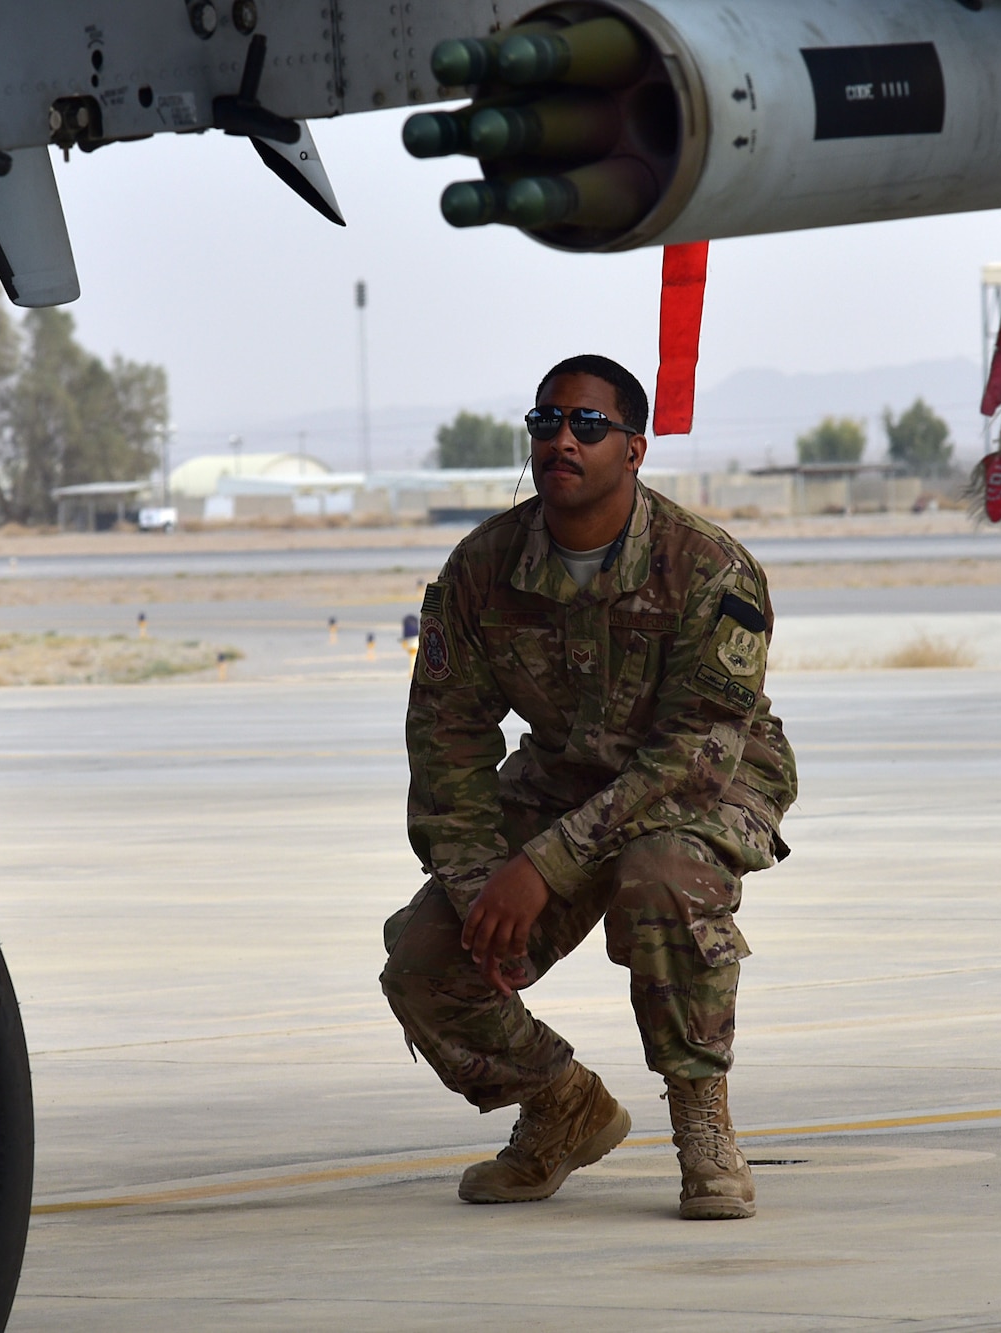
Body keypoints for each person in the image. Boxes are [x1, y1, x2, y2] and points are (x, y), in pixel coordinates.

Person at [382, 354, 796, 1220]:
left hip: (710, 779)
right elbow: (446, 744)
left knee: (660, 878)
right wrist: (475, 888)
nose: (562, 440)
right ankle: (561, 1104)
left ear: (635, 449)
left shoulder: (709, 566)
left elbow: (691, 755)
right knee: (427, 955)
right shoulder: (482, 568)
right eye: (546, 423)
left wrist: (544, 866)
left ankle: (703, 1122)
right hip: (567, 775)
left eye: (587, 426)